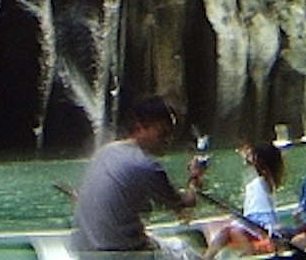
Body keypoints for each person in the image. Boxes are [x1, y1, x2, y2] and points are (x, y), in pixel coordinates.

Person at [70, 96, 205, 254]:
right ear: (140, 128)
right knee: (185, 251)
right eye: (163, 133)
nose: (168, 140)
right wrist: (194, 180)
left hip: (82, 251)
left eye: (171, 134)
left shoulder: (106, 151)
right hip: (119, 254)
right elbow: (183, 205)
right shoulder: (147, 167)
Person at [202, 142, 284, 259]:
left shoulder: (266, 178)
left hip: (260, 225)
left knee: (232, 232)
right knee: (221, 230)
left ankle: (249, 254)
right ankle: (208, 257)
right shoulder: (260, 179)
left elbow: (260, 166)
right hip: (252, 222)